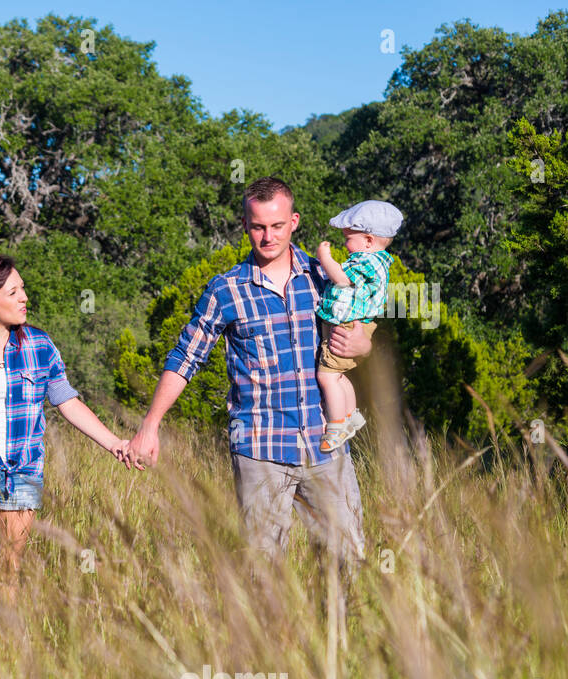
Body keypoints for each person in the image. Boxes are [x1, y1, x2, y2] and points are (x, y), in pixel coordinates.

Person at [125, 177, 372, 573]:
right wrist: (150, 425)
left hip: (326, 444)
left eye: (276, 226)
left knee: (348, 560)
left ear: (294, 222)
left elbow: (359, 335)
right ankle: (270, 637)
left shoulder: (324, 277)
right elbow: (185, 357)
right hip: (260, 447)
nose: (267, 236)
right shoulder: (226, 290)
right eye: (258, 226)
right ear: (245, 225)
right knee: (263, 574)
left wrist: (364, 346)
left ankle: (336, 635)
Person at [0, 254, 131, 606]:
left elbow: (67, 402)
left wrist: (114, 443)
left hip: (23, 469)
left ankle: (7, 647)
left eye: (23, 289)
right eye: (13, 292)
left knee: (8, 569)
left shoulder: (38, 346)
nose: (24, 297)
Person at [312, 200, 402, 452]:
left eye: (349, 238)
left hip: (347, 326)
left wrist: (325, 258)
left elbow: (340, 279)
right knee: (338, 375)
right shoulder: (378, 261)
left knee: (326, 376)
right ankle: (351, 415)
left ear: (369, 241)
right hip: (355, 325)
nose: (345, 244)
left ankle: (337, 425)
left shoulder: (364, 262)